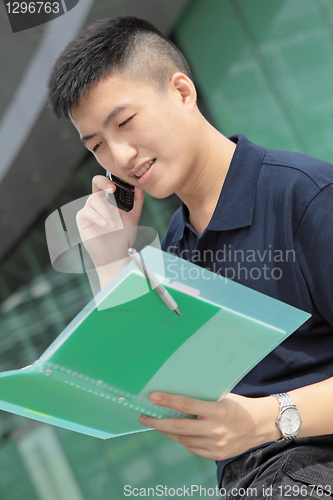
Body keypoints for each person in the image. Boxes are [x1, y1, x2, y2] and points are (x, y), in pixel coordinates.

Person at [47, 16, 333, 499]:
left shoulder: (303, 196)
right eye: (97, 145)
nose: (120, 155)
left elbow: (247, 424)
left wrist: (264, 419)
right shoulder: (176, 248)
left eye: (125, 123)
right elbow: (165, 402)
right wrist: (114, 261)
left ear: (182, 92)